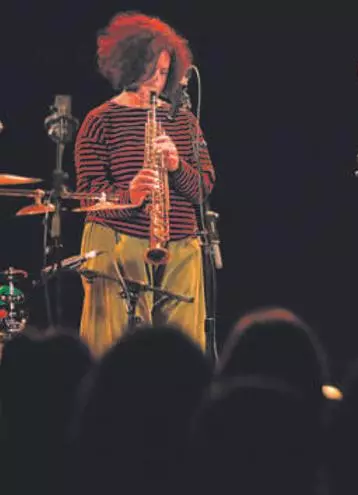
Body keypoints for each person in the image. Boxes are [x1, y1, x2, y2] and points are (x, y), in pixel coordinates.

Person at [74, 11, 216, 357]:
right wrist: (131, 194)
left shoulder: (183, 120)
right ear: (129, 66)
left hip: (180, 245)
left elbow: (203, 187)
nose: (157, 81)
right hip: (118, 242)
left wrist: (176, 165)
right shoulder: (100, 120)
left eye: (164, 73)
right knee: (116, 349)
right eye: (150, 70)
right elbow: (87, 195)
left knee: (183, 352)